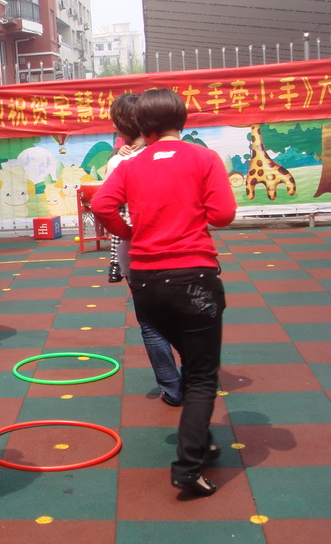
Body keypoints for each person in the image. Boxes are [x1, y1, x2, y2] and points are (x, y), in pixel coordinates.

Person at [92, 88, 237, 497]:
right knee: (202, 376)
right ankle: (188, 467)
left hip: (147, 282)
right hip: (193, 278)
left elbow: (101, 205)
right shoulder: (203, 158)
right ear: (181, 120)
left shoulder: (130, 164)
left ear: (141, 126)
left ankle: (200, 441)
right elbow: (223, 215)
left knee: (193, 363)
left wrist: (129, 232)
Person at [104, 93, 182, 407]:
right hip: (180, 246)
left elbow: (105, 205)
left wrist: (127, 234)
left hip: (139, 252)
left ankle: (172, 388)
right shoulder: (176, 154)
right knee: (185, 316)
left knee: (151, 323)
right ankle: (196, 374)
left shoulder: (121, 162)